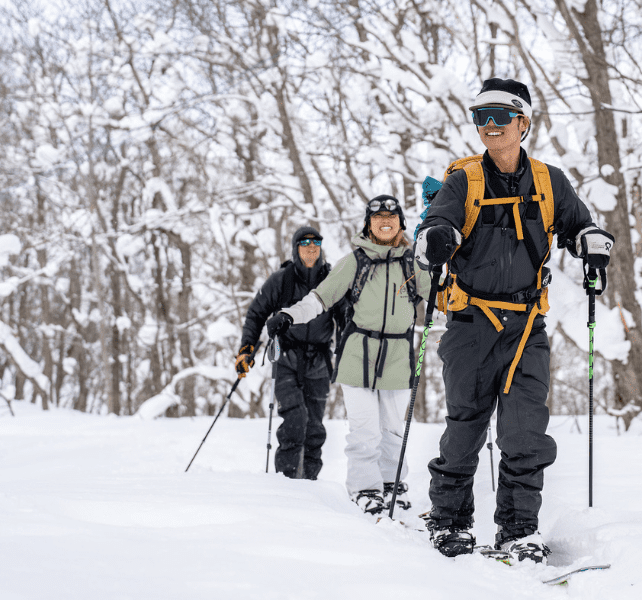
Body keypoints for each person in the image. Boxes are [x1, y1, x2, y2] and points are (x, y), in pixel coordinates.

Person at [413, 78, 615, 563]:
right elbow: (438, 223)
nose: (489, 125)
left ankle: (519, 530)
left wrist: (591, 243)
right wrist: (436, 238)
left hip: (527, 325)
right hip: (471, 323)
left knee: (525, 431)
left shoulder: (549, 181)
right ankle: (449, 522)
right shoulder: (464, 180)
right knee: (465, 426)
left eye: (500, 116)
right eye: (480, 116)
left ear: (523, 123)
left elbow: (579, 225)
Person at [273, 196, 431, 515]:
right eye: (377, 217)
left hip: (398, 355)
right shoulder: (355, 261)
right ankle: (365, 488)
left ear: (401, 224)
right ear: (368, 224)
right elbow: (320, 298)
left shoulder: (414, 263)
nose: (385, 221)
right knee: (365, 430)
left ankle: (392, 485)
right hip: (358, 354)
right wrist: (290, 315)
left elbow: (443, 300)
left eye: (391, 216)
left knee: (393, 429)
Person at [236, 226, 334, 480]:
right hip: (287, 359)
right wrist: (246, 349)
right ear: (295, 248)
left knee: (314, 428)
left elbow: (347, 316)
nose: (311, 248)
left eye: (316, 243)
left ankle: (310, 483)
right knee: (294, 421)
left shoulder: (331, 279)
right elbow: (256, 314)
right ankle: (287, 483)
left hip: (319, 362)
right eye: (305, 243)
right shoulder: (281, 279)